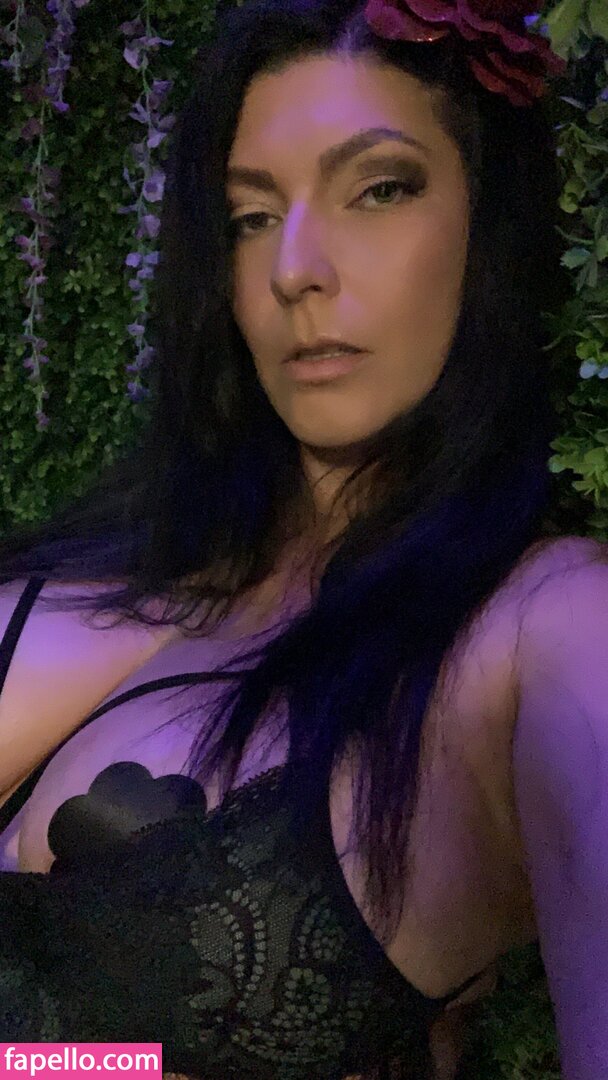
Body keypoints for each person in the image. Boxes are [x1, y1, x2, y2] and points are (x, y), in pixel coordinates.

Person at [0, 0, 606, 1077]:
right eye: (249, 216)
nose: (294, 267)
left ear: (492, 228)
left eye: (379, 188)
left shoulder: (549, 630)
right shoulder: (127, 552)